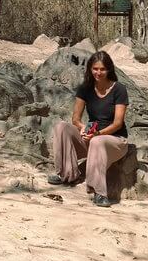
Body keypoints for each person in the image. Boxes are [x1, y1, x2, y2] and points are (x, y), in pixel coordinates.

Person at [47, 50, 129, 207]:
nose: (98, 72)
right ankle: (66, 175)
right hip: (92, 136)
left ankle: (98, 192)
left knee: (97, 141)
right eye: (95, 69)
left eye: (102, 69)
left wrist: (97, 134)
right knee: (61, 127)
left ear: (109, 69)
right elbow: (75, 118)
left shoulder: (119, 89)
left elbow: (118, 123)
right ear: (90, 69)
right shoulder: (85, 88)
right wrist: (83, 128)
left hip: (115, 140)